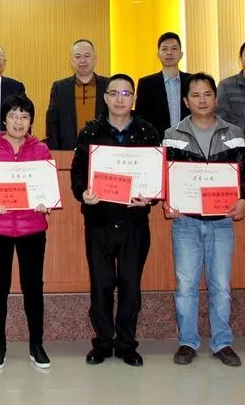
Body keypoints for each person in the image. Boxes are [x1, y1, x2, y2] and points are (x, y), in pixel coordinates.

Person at [161, 73, 245, 368]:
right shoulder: (172, 134)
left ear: (216, 98)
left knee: (221, 286)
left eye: (207, 94)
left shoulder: (233, 133)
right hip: (186, 223)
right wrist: (169, 201)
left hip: (221, 221)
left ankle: (222, 342)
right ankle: (187, 342)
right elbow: (166, 176)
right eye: (195, 95)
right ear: (186, 101)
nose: (202, 100)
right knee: (186, 285)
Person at [71, 73, 160, 367]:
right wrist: (83, 193)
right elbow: (78, 174)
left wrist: (151, 197)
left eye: (126, 94)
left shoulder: (148, 132)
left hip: (135, 221)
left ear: (133, 98)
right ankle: (102, 342)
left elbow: (157, 176)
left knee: (131, 285)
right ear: (106, 98)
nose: (120, 99)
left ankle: (126, 344)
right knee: (101, 284)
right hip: (100, 221)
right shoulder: (90, 133)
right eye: (114, 93)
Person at [0, 93, 52, 371]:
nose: (18, 121)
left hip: (32, 228)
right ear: (4, 119)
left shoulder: (41, 150)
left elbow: (48, 187)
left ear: (31, 121)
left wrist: (45, 202)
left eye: (24, 116)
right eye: (13, 115)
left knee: (34, 287)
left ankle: (36, 345)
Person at [45, 39, 109, 150]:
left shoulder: (108, 85)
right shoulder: (59, 87)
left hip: (102, 151)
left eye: (87, 56)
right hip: (68, 151)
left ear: (95, 59)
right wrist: (55, 153)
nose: (82, 61)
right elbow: (52, 124)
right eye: (78, 57)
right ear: (71, 61)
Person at [135, 32, 191, 136]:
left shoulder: (191, 81)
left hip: (189, 141)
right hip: (158, 141)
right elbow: (140, 119)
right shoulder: (146, 84)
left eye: (174, 48)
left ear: (181, 54)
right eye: (164, 49)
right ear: (158, 55)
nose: (169, 52)